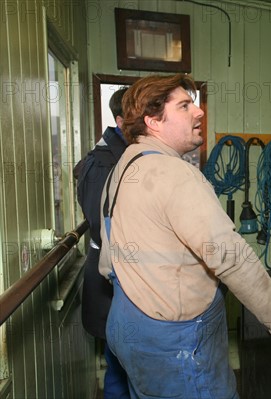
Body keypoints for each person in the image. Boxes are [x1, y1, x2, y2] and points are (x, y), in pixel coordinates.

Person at [98, 74, 271, 398]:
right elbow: (233, 259)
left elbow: (107, 260)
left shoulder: (123, 168)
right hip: (177, 345)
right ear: (153, 120)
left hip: (127, 324)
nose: (198, 113)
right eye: (185, 106)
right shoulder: (175, 174)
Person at [74, 88, 130, 398]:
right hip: (111, 284)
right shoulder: (103, 164)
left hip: (123, 282)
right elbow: (101, 225)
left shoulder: (122, 154)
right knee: (121, 373)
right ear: (121, 120)